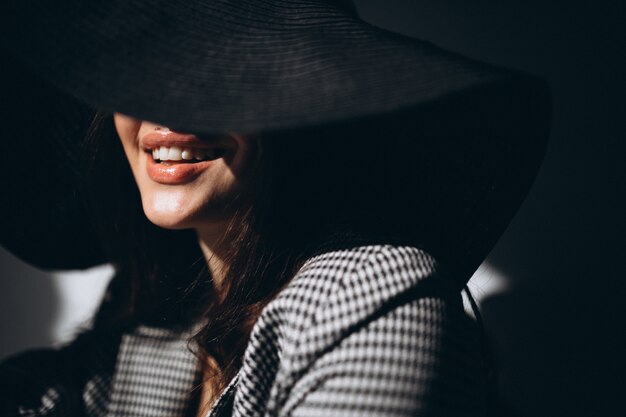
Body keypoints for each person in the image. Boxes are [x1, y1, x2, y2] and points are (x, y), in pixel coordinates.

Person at [0, 1, 551, 416]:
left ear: (304, 108)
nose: (162, 109)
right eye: (137, 71)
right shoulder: (147, 330)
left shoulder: (368, 295)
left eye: (217, 75)